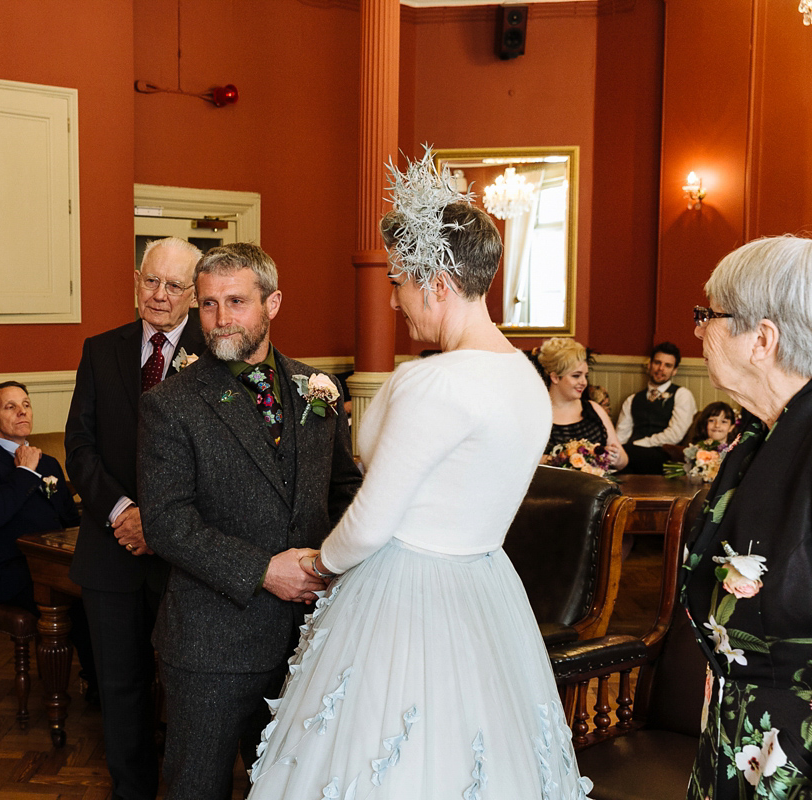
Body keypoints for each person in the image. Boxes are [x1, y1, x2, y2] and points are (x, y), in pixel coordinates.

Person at [247, 153, 593, 799]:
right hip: (487, 582)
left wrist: (319, 566)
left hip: (405, 591)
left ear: (437, 283)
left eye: (401, 281)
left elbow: (371, 520)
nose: (393, 296)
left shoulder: (432, 381)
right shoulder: (526, 377)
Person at [137, 242, 362, 800]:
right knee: (198, 787)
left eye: (235, 301)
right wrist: (264, 570)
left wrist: (337, 562)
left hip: (310, 640)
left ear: (273, 302)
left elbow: (343, 490)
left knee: (293, 788)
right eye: (209, 304)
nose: (219, 318)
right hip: (212, 642)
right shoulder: (171, 403)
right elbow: (167, 523)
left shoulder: (320, 390)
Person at [63, 236, 205, 800]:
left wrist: (159, 522)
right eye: (152, 281)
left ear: (194, 295)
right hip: (110, 551)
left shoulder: (217, 351)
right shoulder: (100, 351)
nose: (160, 295)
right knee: (120, 688)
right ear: (136, 282)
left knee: (188, 686)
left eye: (175, 285)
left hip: (185, 559)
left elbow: (220, 463)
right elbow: (80, 447)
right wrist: (124, 512)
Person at [680, 235, 812, 799]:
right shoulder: (756, 432)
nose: (696, 330)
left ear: (762, 339)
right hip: (736, 732)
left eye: (708, 316)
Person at [0, 381, 81, 609]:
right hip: (12, 571)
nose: (22, 411)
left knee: (111, 592)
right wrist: (25, 471)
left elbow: (69, 518)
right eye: (10, 407)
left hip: (57, 563)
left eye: (26, 404)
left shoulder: (49, 462)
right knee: (84, 606)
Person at [537, 336, 628, 471]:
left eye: (585, 375)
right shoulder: (538, 414)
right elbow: (523, 461)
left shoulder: (594, 409)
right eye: (576, 376)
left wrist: (617, 457)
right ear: (555, 377)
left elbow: (623, 460)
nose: (584, 382)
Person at [615, 341, 697, 474]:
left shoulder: (682, 395)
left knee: (627, 459)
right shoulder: (632, 399)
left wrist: (639, 444)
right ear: (649, 365)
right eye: (657, 363)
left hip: (664, 454)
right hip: (633, 453)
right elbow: (621, 435)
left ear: (674, 371)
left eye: (668, 365)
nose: (661, 369)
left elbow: (675, 435)